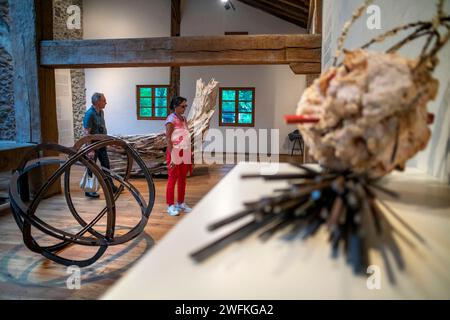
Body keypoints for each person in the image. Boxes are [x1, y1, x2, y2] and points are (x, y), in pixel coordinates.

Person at [82, 92, 118, 198]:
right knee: (91, 167)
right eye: (104, 100)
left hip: (102, 144)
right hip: (93, 146)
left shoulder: (101, 112)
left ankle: (110, 186)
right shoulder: (90, 114)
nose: (106, 102)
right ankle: (89, 190)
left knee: (106, 165)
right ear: (97, 102)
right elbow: (86, 132)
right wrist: (89, 149)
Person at [165, 96, 193, 216]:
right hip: (175, 151)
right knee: (173, 178)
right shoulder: (170, 120)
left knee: (183, 178)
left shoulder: (183, 118)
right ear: (176, 106)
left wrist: (190, 152)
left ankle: (180, 202)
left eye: (186, 106)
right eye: (183, 106)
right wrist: (172, 155)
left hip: (185, 151)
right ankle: (170, 205)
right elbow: (168, 138)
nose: (185, 108)